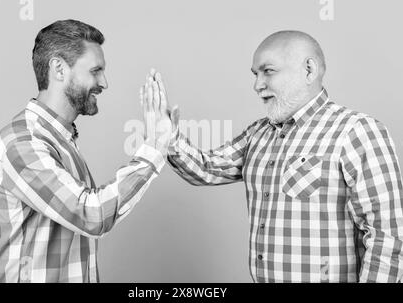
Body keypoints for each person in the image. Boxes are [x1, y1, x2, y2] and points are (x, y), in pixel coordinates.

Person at [149, 30, 403, 282]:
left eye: (268, 71)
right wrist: (168, 137)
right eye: (255, 74)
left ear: (309, 70)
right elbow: (206, 169)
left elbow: (388, 236)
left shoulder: (355, 130)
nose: (257, 85)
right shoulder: (257, 134)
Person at [0, 19, 171, 283]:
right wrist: (155, 147)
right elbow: (91, 215)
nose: (105, 82)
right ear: (59, 69)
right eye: (96, 70)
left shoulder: (60, 139)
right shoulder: (22, 142)